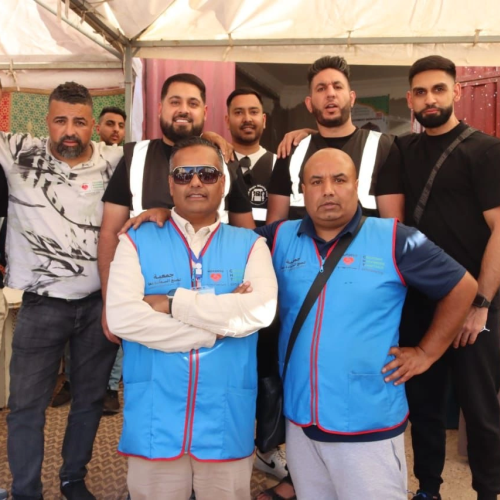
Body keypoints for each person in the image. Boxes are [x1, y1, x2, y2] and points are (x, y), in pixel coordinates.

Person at [256, 147, 476, 499]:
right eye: (316, 181)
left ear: (357, 186)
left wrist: (426, 352)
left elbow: (462, 286)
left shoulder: (394, 238)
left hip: (367, 423)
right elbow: (227, 244)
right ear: (302, 190)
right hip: (301, 421)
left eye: (339, 179)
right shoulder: (279, 237)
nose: (328, 190)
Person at [106, 136, 278, 500]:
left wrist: (172, 303)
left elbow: (259, 311)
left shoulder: (251, 245)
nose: (196, 182)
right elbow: (122, 318)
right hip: (155, 417)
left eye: (207, 174)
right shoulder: (136, 240)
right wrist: (216, 330)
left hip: (225, 418)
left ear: (223, 183)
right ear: (170, 184)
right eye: (184, 174)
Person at [380, 55, 500, 500]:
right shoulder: (399, 150)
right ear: (409, 99)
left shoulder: (486, 151)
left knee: (481, 410)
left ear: (456, 92)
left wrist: (480, 304)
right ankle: (428, 490)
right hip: (418, 304)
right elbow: (392, 228)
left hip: (477, 305)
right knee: (424, 408)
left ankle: (488, 492)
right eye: (420, 92)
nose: (429, 99)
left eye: (439, 89)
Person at [0, 82, 122, 500]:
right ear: (46, 122)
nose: (70, 131)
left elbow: (168, 152)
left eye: (80, 122)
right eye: (60, 121)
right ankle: (26, 491)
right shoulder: (19, 152)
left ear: (94, 125)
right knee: (25, 407)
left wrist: (215, 137)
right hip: (40, 306)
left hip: (97, 305)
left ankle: (73, 480)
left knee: (89, 401)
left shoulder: (115, 159)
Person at [98, 73, 254, 348]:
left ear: (205, 112)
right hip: (149, 314)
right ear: (160, 108)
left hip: (216, 312)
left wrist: (247, 295)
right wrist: (110, 302)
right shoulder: (134, 158)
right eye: (175, 102)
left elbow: (247, 234)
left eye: (192, 103)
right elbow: (110, 233)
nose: (183, 110)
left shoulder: (225, 162)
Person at [266, 55, 403, 224]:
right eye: (321, 88)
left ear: (352, 98)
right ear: (309, 104)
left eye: (337, 87)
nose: (330, 94)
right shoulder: (290, 150)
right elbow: (275, 225)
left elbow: (392, 228)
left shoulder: (384, 148)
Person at [225, 88, 276, 226]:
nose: (247, 119)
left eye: (253, 112)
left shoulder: (278, 164)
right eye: (238, 112)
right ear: (227, 121)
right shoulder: (218, 163)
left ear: (264, 120)